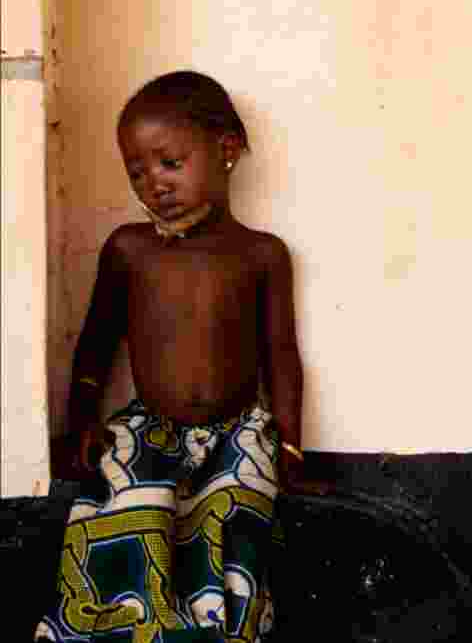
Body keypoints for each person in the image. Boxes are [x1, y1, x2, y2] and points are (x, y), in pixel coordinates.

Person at [36, 71, 307, 643]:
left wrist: (290, 446)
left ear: (226, 150)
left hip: (237, 436)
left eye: (170, 163)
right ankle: (127, 629)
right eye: (137, 171)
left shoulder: (260, 254)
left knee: (236, 521)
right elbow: (96, 343)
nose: (153, 183)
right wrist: (81, 418)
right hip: (149, 433)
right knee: (123, 520)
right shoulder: (129, 250)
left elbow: (281, 354)